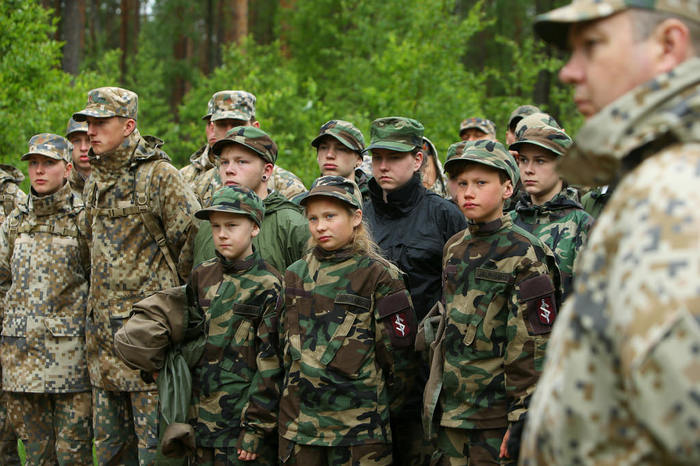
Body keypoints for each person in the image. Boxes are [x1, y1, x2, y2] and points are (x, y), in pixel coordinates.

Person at [521, 2, 700, 464]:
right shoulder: (654, 175)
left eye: (592, 45)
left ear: (668, 45)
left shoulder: (672, 193)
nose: (568, 71)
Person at [73, 86, 201, 464]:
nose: (91, 131)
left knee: (155, 454)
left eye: (101, 122)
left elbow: (192, 244)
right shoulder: (95, 180)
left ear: (128, 125)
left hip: (147, 347)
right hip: (102, 350)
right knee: (111, 455)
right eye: (88, 123)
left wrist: (172, 311)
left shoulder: (160, 177)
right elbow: (88, 253)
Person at [426, 139, 560, 465]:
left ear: (507, 188)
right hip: (452, 411)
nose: (468, 192)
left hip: (495, 416)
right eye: (462, 183)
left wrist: (521, 418)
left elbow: (533, 346)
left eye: (481, 183)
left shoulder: (526, 253)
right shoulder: (454, 247)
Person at [279, 176, 417, 465]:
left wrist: (383, 408)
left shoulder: (379, 275)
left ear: (355, 217)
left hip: (360, 429)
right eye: (313, 218)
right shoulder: (294, 274)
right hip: (300, 427)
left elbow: (399, 356)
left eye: (330, 216)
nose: (320, 226)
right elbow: (282, 349)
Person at [363, 116, 466, 465]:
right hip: (366, 374)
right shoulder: (359, 216)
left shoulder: (444, 216)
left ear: (418, 159)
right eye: (377, 157)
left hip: (424, 373)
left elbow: (461, 295)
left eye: (393, 157)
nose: (383, 166)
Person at [0, 134, 92, 464]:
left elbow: (96, 281)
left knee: (74, 453)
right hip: (20, 361)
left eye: (48, 163)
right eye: (34, 163)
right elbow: (2, 281)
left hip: (70, 362)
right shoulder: (15, 222)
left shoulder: (83, 219)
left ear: (67, 169)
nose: (39, 171)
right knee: (37, 456)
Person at [188, 186, 283, 465]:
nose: (222, 234)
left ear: (254, 228)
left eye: (232, 225)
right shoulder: (201, 276)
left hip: (240, 427)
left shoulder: (270, 285)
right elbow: (187, 343)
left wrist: (255, 429)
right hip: (198, 422)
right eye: (215, 226)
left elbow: (272, 364)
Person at [194, 126, 309, 273]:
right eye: (224, 162)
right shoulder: (207, 224)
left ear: (266, 171)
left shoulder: (291, 224)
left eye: (241, 162)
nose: (229, 170)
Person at [509, 123, 593, 300]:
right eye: (523, 160)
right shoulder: (509, 221)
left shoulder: (583, 226)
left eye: (540, 161)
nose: (528, 169)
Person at [195, 90, 307, 203]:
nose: (230, 131)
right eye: (222, 125)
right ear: (213, 129)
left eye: (237, 124)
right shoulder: (200, 185)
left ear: (255, 127)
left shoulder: (287, 185)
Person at [310, 119, 370, 201]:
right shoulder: (302, 203)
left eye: (341, 149)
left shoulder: (376, 204)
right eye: (323, 148)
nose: (329, 155)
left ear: (359, 159)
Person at [180, 96, 217, 190]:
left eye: (220, 123)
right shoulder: (184, 175)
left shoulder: (252, 170)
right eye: (209, 123)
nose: (213, 128)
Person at [65, 116, 91, 195]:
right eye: (76, 141)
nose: (83, 148)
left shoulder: (112, 180)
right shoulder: (58, 183)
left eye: (89, 140)